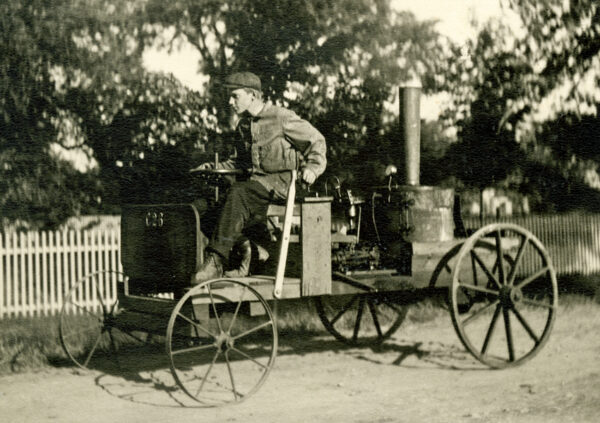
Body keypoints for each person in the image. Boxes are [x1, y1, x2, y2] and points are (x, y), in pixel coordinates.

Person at [191, 71, 326, 283]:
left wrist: (313, 168)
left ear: (252, 95)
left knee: (239, 193)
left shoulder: (282, 117)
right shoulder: (243, 126)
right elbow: (239, 163)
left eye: (235, 96)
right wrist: (212, 168)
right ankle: (249, 248)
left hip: (284, 185)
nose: (230, 101)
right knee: (200, 207)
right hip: (255, 188)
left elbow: (317, 141)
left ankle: (216, 262)